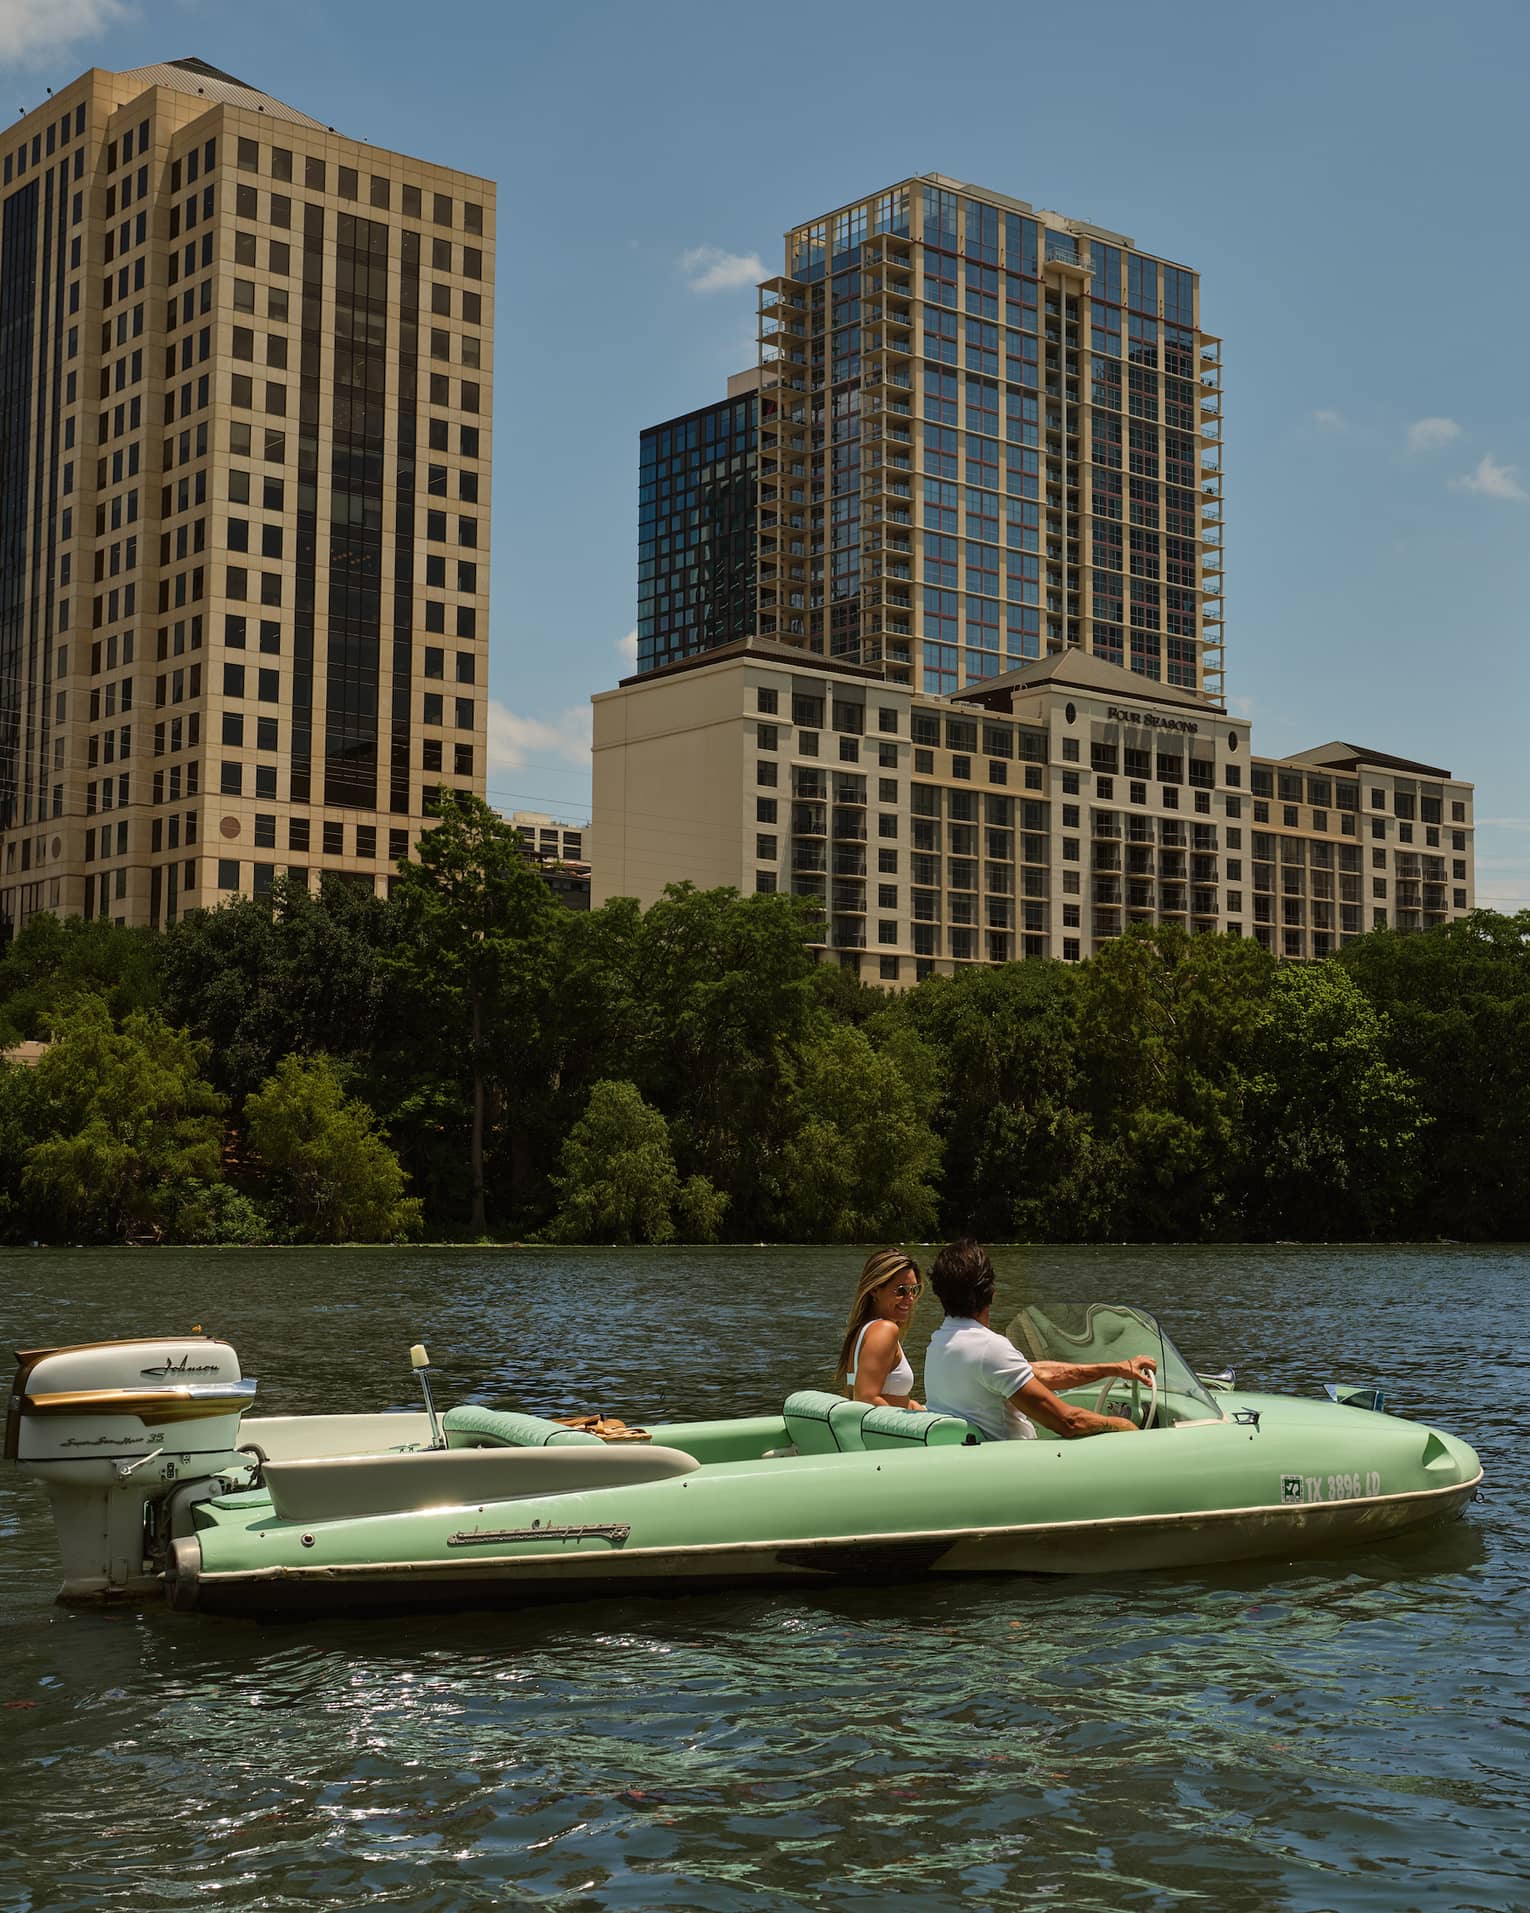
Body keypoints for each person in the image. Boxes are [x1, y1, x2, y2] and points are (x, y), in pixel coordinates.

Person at [924, 1239, 1153, 1440]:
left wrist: (1114, 1368)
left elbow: (1038, 1373)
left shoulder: (939, 1344)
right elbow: (1069, 1423)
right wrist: (1124, 1425)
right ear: (991, 1292)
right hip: (1015, 1468)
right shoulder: (988, 1348)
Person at [835, 1249, 924, 1409]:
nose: (910, 1298)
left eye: (914, 1290)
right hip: (883, 1433)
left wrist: (913, 1406)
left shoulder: (865, 1329)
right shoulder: (884, 1330)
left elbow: (884, 1395)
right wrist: (911, 1424)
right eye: (902, 1290)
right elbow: (866, 1399)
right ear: (875, 1290)